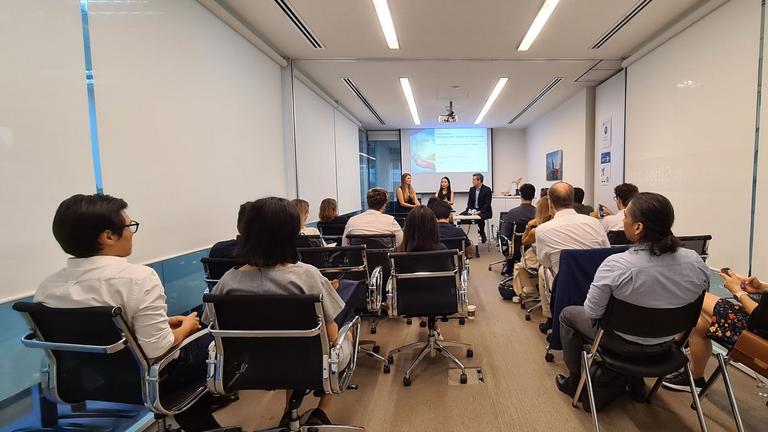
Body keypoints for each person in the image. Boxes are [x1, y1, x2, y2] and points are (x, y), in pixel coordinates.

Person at [34, 194, 221, 431]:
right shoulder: (138, 278)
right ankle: (206, 419)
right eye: (129, 226)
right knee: (214, 338)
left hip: (90, 378)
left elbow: (92, 330)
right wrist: (186, 328)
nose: (132, 233)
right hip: (153, 379)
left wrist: (163, 322)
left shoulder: (47, 287)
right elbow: (157, 349)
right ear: (108, 236)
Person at [204, 197, 350, 426]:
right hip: (309, 364)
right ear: (291, 233)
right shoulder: (307, 276)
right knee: (344, 334)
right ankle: (322, 411)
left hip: (248, 368)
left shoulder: (227, 281)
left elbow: (211, 326)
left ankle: (287, 409)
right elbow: (332, 336)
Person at [556, 192, 709, 399]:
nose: (623, 220)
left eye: (625, 216)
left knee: (567, 314)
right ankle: (635, 380)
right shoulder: (695, 261)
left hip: (621, 344)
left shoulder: (617, 265)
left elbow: (592, 313)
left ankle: (575, 381)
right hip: (666, 343)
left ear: (638, 227)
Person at [663, 269, 768, 393]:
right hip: (760, 325)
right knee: (700, 321)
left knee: (698, 300)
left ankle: (670, 348)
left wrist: (739, 292)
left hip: (760, 337)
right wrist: (762, 288)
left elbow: (762, 318)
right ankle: (694, 377)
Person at [535, 182, 609, 332]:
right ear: (573, 200)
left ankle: (551, 318)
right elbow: (606, 252)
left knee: (543, 270)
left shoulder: (542, 230)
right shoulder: (594, 223)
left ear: (550, 204)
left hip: (565, 285)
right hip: (597, 282)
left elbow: (544, 262)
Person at [508, 197, 553, 303]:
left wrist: (528, 226)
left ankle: (528, 290)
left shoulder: (536, 230)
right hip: (554, 262)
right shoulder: (557, 226)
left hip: (539, 261)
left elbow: (524, 241)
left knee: (520, 266)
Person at [499, 183, 537, 275]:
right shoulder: (538, 213)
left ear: (520, 195)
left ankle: (509, 268)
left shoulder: (512, 213)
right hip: (534, 251)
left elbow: (505, 234)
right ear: (533, 196)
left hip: (514, 251)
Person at [464, 173, 493, 243]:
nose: (472, 181)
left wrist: (479, 212)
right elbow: (469, 202)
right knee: (462, 216)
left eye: (474, 180)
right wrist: (470, 210)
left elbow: (487, 204)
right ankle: (473, 233)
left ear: (479, 180)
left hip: (484, 211)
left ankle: (482, 232)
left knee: (479, 218)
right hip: (473, 210)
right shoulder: (471, 189)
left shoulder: (487, 189)